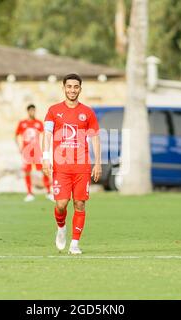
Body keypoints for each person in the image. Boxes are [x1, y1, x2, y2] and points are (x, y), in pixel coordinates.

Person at [42, 73, 102, 254]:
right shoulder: (53, 111)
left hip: (82, 167)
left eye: (76, 87)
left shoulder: (88, 112)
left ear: (80, 89)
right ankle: (61, 228)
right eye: (69, 87)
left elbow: (95, 138)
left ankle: (74, 244)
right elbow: (47, 135)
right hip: (61, 166)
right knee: (61, 204)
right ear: (64, 88)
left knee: (80, 204)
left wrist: (98, 162)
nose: (72, 90)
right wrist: (45, 157)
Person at [15, 104, 53, 202]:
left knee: (44, 170)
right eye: (31, 111)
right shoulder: (22, 123)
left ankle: (49, 192)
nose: (32, 112)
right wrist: (19, 147)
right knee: (27, 171)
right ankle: (29, 193)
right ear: (28, 111)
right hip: (26, 152)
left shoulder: (38, 123)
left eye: (33, 111)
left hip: (36, 151)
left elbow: (44, 135)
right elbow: (16, 135)